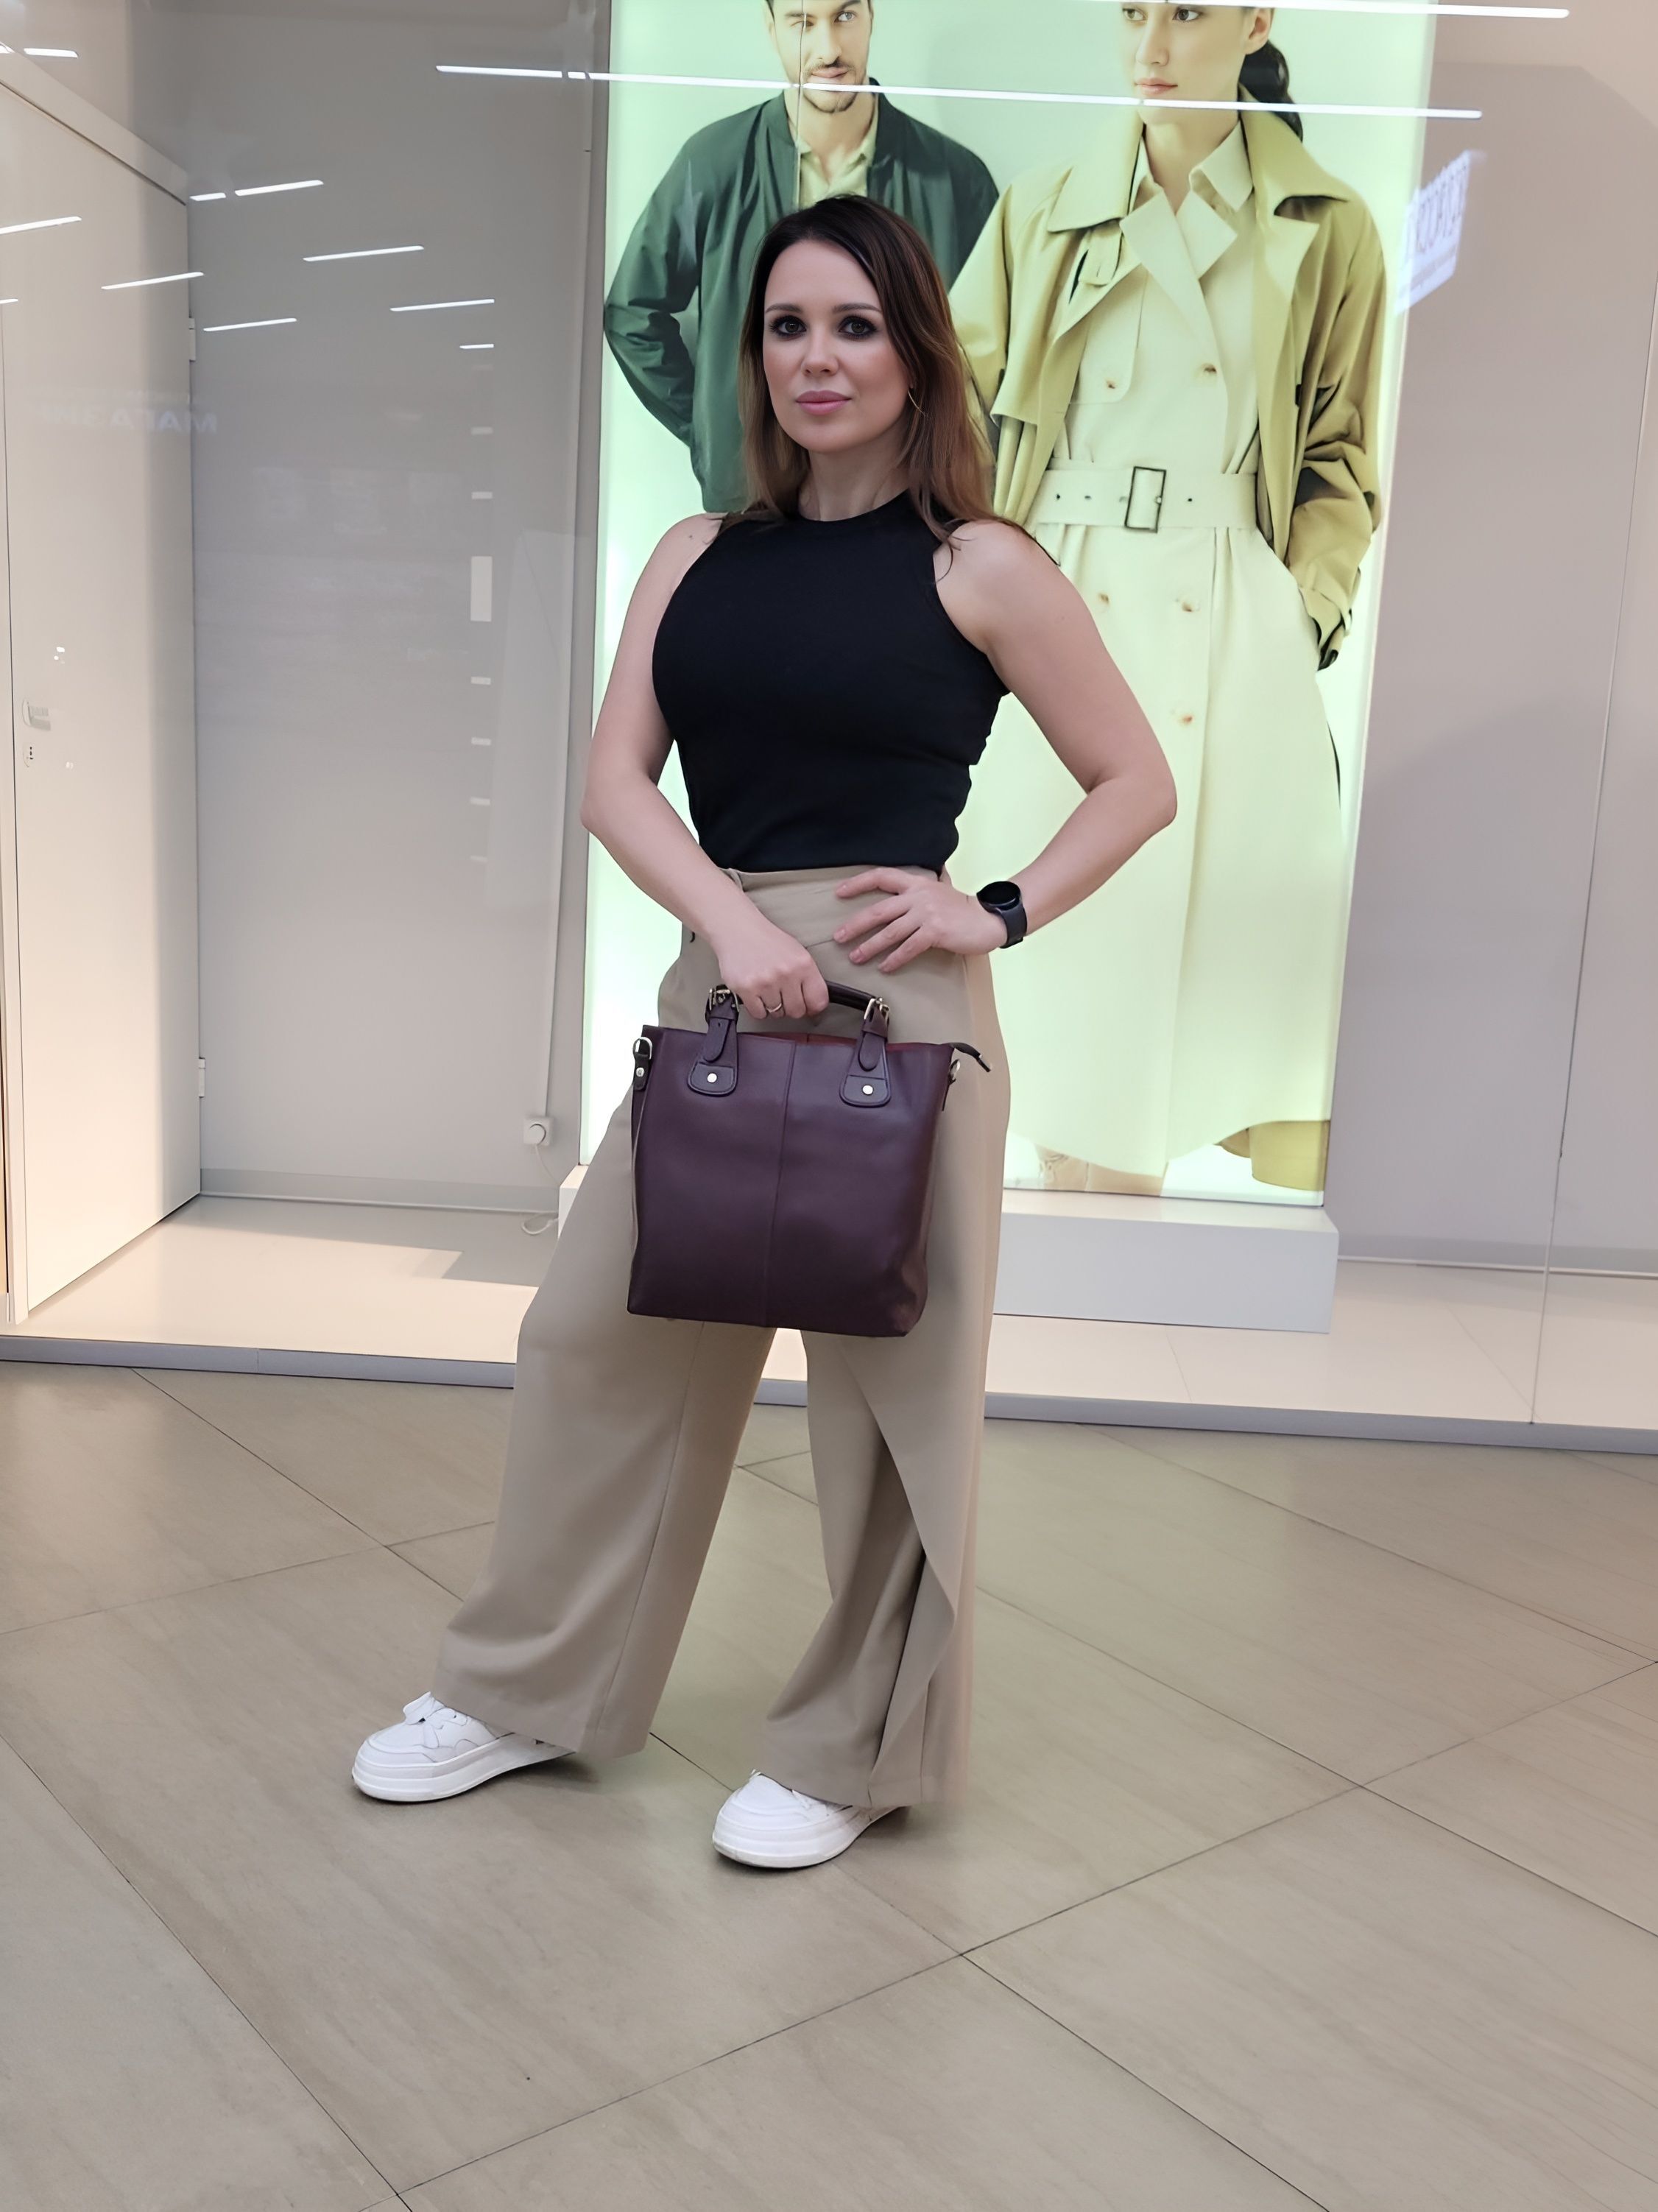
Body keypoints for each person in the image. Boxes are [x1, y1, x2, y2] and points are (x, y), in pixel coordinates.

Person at [353, 199, 1173, 1870]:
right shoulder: (693, 555)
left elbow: (1134, 781)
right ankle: (528, 1690)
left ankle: (849, 1750)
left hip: (902, 1006)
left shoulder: (979, 566)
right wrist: (730, 922)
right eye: (787, 326)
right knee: (597, 1338)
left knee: (892, 1396)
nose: (817, 357)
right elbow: (614, 782)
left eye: (854, 326)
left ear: (915, 350)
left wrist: (993, 909)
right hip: (721, 987)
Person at [950, 5, 1386, 1197]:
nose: (1149, 45)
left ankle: (1127, 1228)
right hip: (1054, 590)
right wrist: (963, 588)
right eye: (1133, 11)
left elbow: (1340, 458)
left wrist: (1298, 618)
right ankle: (1050, 1218)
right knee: (1042, 936)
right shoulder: (1043, 208)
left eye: (1185, 11)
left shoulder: (1328, 224)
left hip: (1231, 613)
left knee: (1207, 948)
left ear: (1255, 19)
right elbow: (956, 411)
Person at [604, 0, 997, 513]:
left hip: (906, 500)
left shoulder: (956, 179)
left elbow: (991, 355)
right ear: (771, 28)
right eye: (803, 22)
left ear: (872, 16)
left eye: (845, 16)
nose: (828, 49)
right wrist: (711, 431)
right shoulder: (714, 162)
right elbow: (633, 314)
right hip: (753, 498)